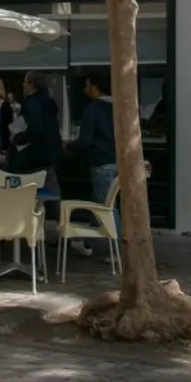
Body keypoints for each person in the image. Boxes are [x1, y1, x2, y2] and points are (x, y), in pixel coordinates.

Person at [66, 72, 119, 256]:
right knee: (100, 200)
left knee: (106, 207)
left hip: (100, 162)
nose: (84, 89)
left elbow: (85, 140)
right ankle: (87, 242)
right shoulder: (117, 107)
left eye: (87, 85)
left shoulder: (92, 110)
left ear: (95, 87)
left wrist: (69, 147)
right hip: (116, 161)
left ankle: (118, 251)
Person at [12, 71, 62, 196]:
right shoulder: (48, 102)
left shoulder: (32, 103)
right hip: (50, 154)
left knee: (32, 193)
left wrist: (18, 138)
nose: (22, 85)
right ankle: (57, 213)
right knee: (50, 190)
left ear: (31, 84)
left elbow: (36, 129)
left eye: (24, 82)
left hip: (35, 156)